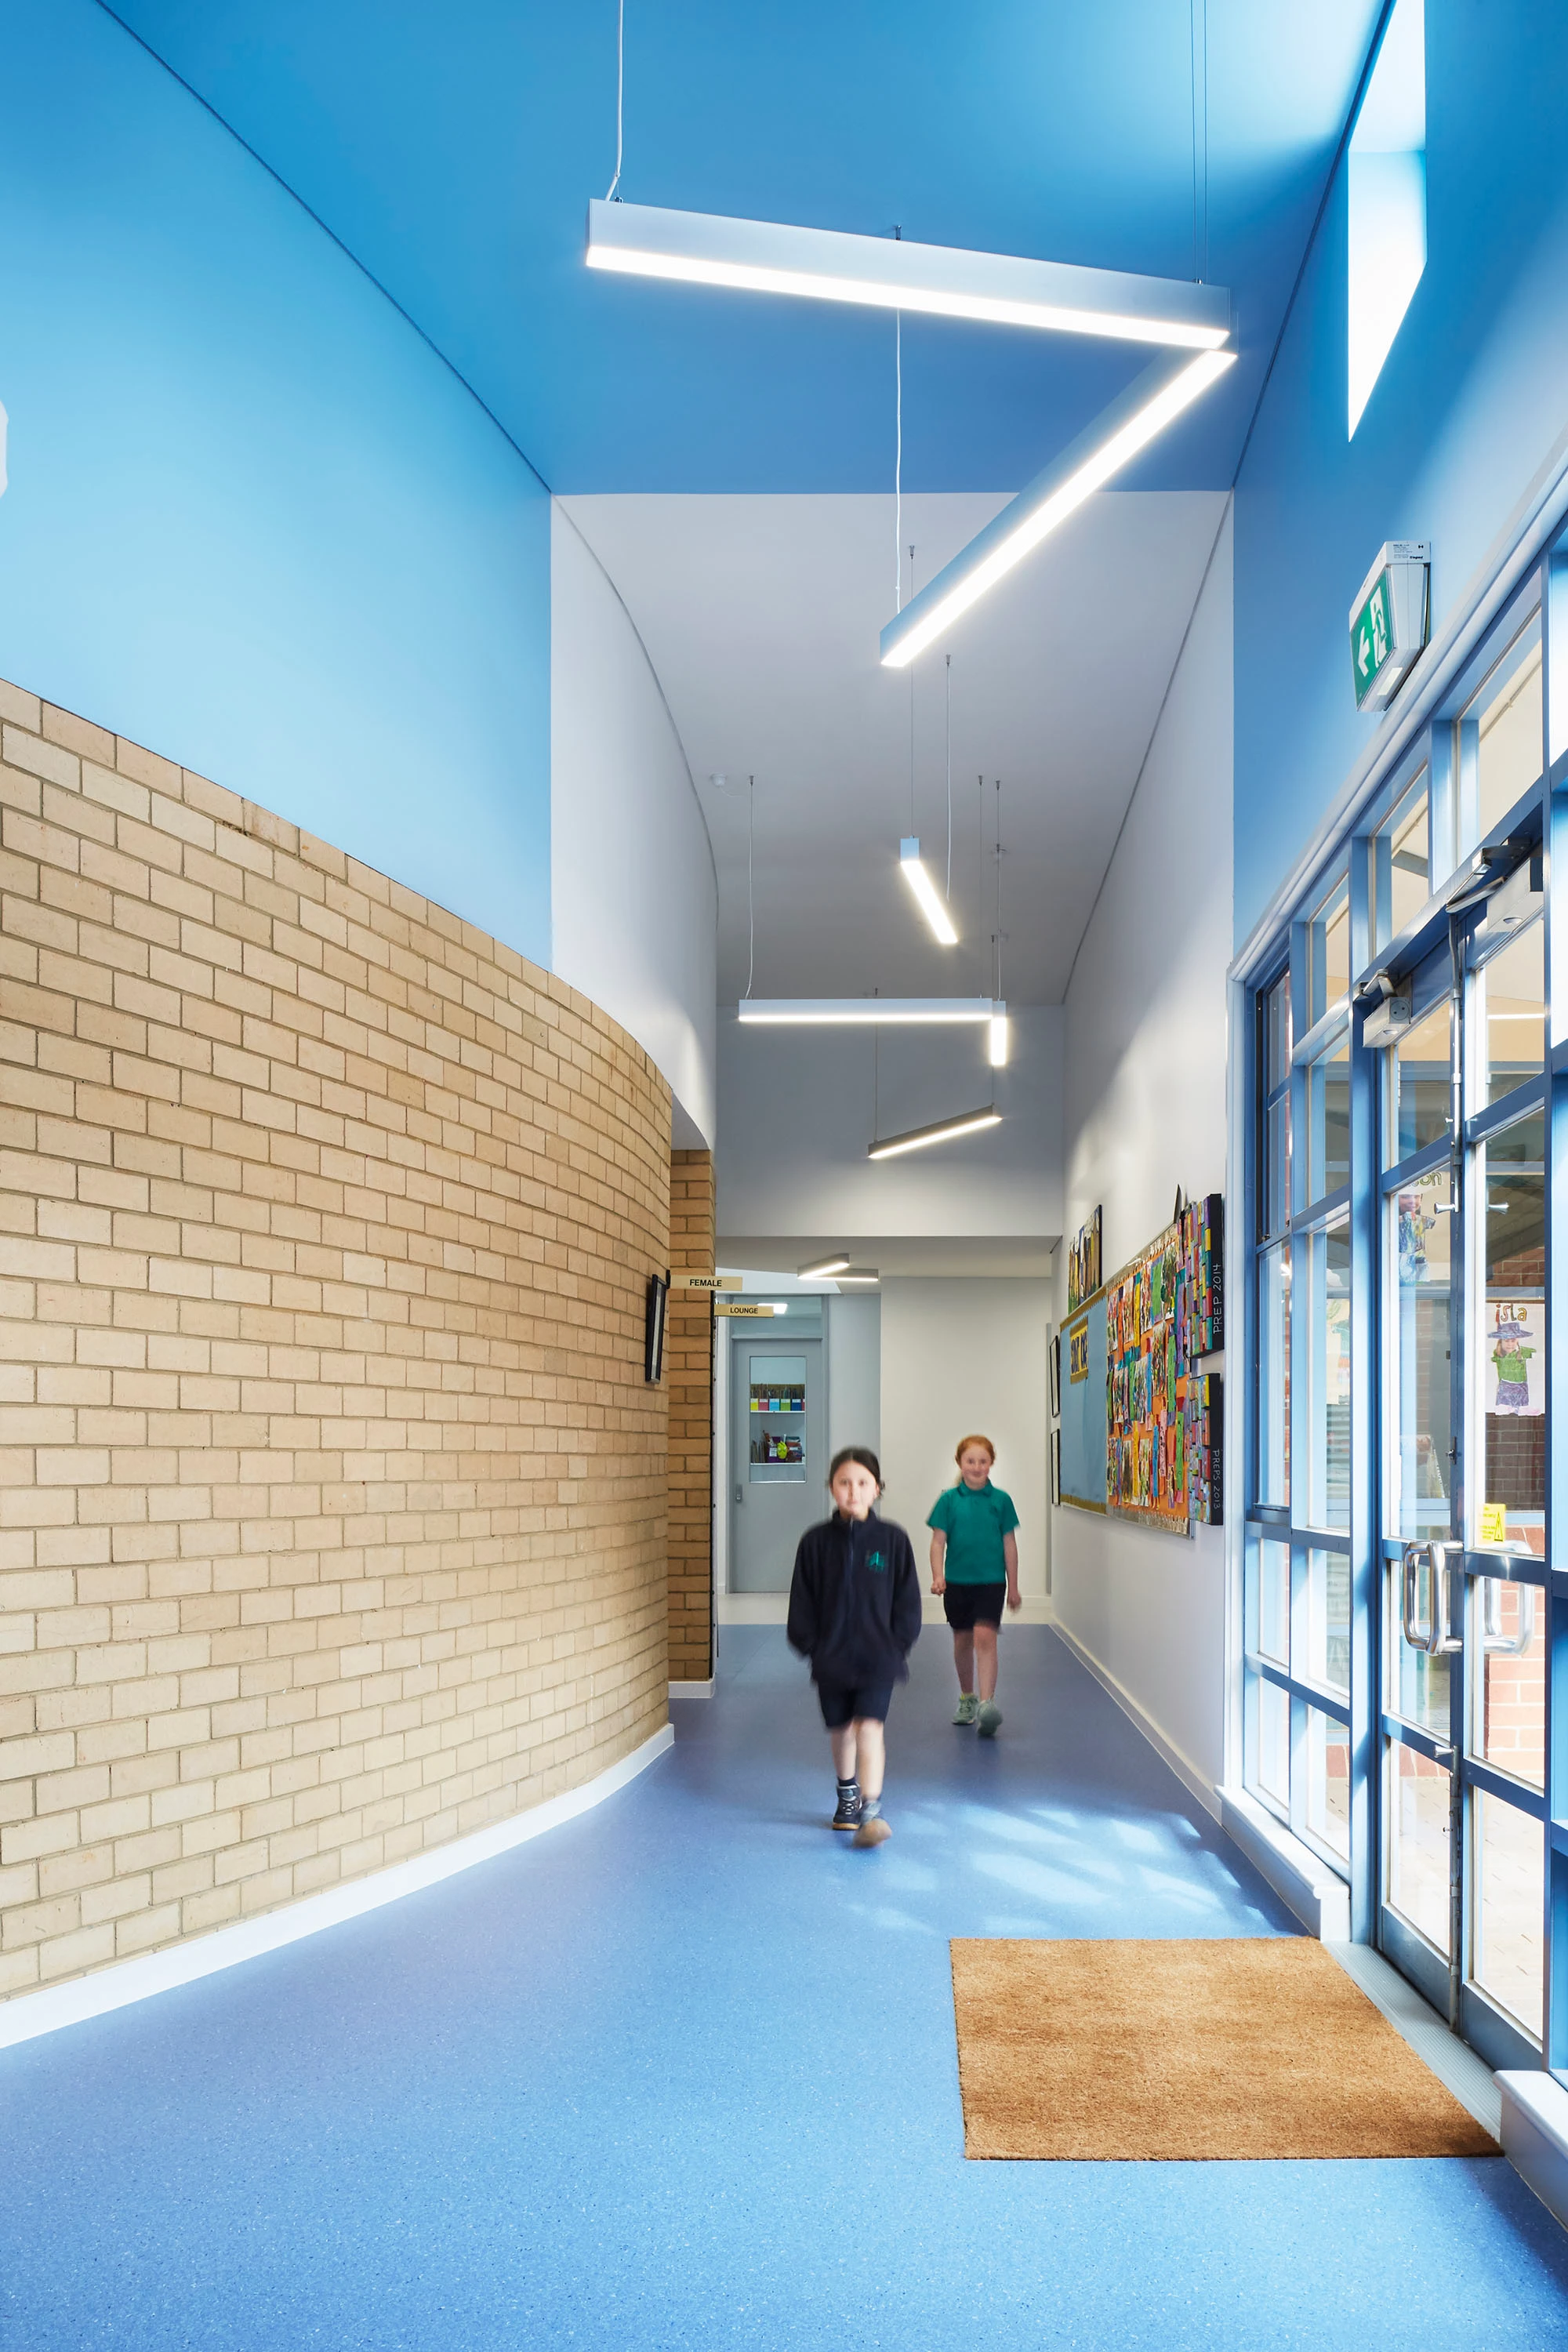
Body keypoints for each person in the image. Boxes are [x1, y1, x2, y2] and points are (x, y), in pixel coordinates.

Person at [786, 1446, 921, 1847]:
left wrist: (898, 1644)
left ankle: (872, 1812)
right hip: (832, 1658)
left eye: (863, 1483)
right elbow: (802, 1599)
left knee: (870, 1727)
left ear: (877, 1489)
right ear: (832, 1488)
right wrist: (811, 1645)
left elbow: (907, 1600)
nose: (853, 1491)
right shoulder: (814, 1543)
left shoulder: (893, 1540)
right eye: (844, 1483)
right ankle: (847, 1795)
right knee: (842, 1729)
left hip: (879, 1657)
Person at [927, 1434, 1021, 1737]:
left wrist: (1015, 1586)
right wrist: (937, 1575)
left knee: (985, 1637)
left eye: (983, 1461)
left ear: (991, 1464)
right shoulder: (948, 1501)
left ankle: (986, 1704)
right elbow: (937, 1543)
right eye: (971, 1461)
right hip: (957, 1583)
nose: (977, 1466)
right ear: (960, 1463)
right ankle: (967, 1697)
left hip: (992, 1582)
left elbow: (1010, 1545)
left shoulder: (1001, 1501)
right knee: (963, 1640)